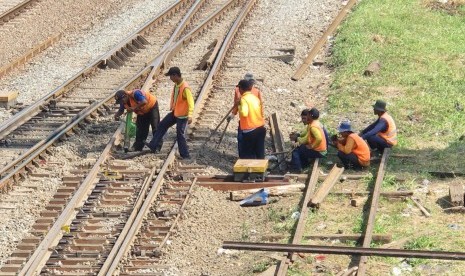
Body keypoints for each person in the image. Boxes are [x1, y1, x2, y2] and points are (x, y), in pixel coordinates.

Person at [146, 67, 194, 159]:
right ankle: (153, 144)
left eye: (171, 76)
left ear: (175, 75)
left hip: (183, 116)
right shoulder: (177, 84)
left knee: (180, 134)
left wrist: (190, 115)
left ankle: (185, 155)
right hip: (175, 112)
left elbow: (191, 102)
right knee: (162, 125)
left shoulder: (185, 87)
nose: (170, 79)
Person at [227, 73, 263, 157]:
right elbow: (236, 104)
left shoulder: (256, 92)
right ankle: (247, 160)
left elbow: (243, 110)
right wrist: (233, 114)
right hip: (254, 123)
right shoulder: (238, 91)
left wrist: (262, 117)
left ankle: (246, 161)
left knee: (247, 146)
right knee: (255, 147)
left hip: (249, 125)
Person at [289, 107, 327, 172]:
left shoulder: (313, 127)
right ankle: (304, 165)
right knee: (302, 148)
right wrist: (298, 136)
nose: (303, 120)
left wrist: (311, 146)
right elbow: (306, 135)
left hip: (319, 151)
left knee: (296, 150)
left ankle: (297, 169)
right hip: (320, 149)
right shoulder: (314, 123)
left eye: (306, 117)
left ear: (309, 116)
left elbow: (318, 138)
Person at [236, 79, 266, 159]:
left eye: (239, 88)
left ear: (241, 89)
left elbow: (244, 113)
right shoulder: (255, 98)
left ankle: (250, 170)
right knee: (259, 152)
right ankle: (260, 170)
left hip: (250, 130)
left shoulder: (243, 99)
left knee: (248, 154)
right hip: (260, 128)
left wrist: (239, 106)